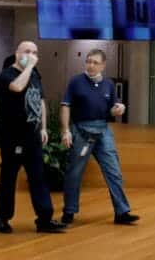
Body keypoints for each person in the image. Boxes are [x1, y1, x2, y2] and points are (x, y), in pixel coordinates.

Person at [0, 41, 66, 234]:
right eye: (27, 51)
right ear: (17, 53)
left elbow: (40, 101)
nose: (31, 55)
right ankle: (2, 218)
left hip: (32, 136)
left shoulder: (35, 75)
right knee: (8, 178)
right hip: (12, 137)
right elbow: (17, 88)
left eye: (34, 52)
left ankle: (44, 219)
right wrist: (30, 66)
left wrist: (43, 127)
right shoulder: (7, 74)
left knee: (38, 177)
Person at [60, 49, 139, 226]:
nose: (91, 65)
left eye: (95, 62)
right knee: (74, 172)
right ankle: (69, 211)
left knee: (114, 171)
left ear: (103, 65)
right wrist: (66, 131)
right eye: (88, 61)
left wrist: (118, 109)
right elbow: (66, 106)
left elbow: (112, 108)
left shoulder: (109, 84)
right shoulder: (76, 82)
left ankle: (122, 212)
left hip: (103, 130)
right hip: (81, 131)